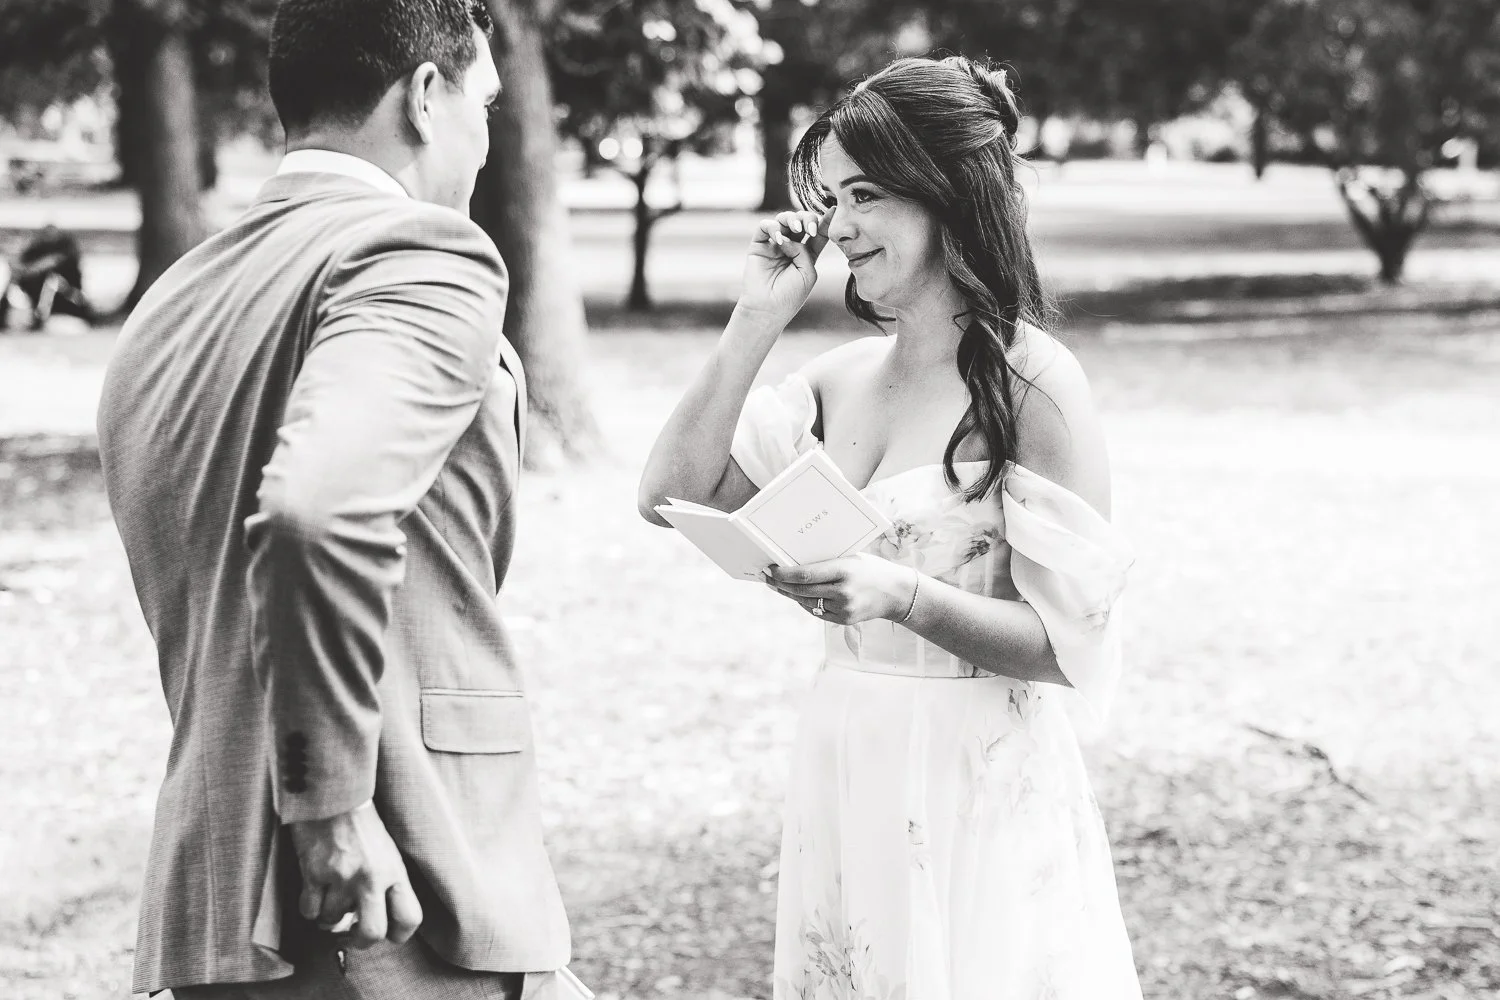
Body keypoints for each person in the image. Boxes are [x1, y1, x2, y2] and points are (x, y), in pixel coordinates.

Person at [639, 56, 1142, 997]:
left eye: (865, 194)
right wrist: (756, 319)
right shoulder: (838, 380)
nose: (838, 227)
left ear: (946, 193)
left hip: (972, 774)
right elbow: (668, 492)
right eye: (832, 199)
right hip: (846, 753)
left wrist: (904, 595)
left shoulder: (1033, 383)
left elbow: (1067, 645)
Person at [96, 2, 571, 997]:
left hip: (217, 893)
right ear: (426, 96)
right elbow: (315, 511)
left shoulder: (173, 300)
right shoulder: (418, 251)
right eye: (484, 106)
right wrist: (331, 806)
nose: (486, 142)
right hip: (389, 893)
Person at [11, 224, 95, 330]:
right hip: (45, 295)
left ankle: (40, 317)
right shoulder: (37, 251)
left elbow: (56, 264)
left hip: (66, 295)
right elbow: (20, 267)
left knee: (52, 282)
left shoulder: (65, 254)